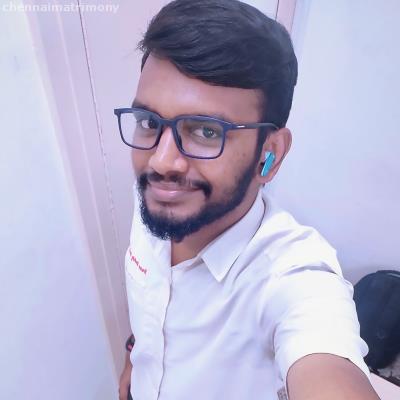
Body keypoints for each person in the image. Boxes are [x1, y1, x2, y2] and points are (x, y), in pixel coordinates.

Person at [116, 0, 379, 399]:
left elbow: (324, 356)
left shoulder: (292, 277)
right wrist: (134, 355)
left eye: (206, 131)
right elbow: (151, 299)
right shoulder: (157, 199)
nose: (161, 161)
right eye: (150, 123)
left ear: (269, 153)